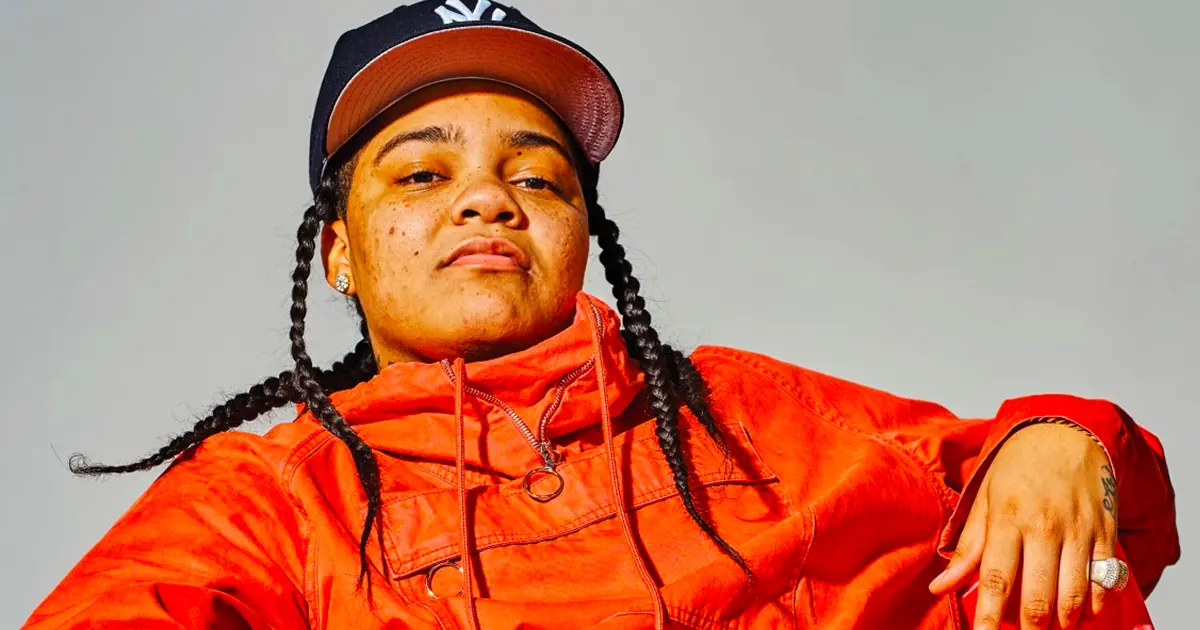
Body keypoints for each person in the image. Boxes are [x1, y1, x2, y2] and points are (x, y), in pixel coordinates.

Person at [24, 2, 1178, 629]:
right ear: (338, 253)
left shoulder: (747, 415)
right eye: (422, 174)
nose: (488, 197)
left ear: (582, 231)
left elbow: (1072, 503)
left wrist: (1061, 437)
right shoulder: (267, 501)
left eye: (537, 175)